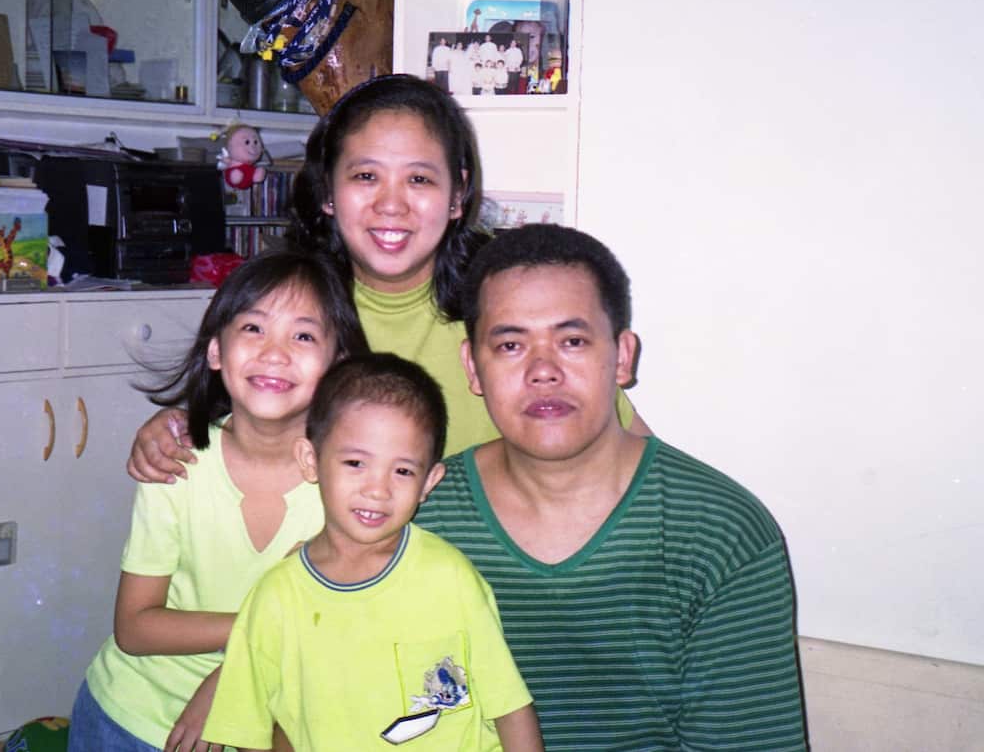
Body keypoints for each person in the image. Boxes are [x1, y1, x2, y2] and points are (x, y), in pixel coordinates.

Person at [125, 74, 643, 480]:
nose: (391, 204)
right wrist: (172, 429)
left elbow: (626, 446)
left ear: (458, 194)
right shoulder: (289, 309)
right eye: (366, 176)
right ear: (328, 190)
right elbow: (234, 428)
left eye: (419, 178)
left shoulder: (508, 305)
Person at [415, 223, 807, 749]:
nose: (543, 371)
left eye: (572, 341)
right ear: (473, 367)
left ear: (622, 357)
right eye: (510, 345)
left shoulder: (720, 532)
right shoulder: (418, 517)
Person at [68, 248, 369, 752]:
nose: (275, 352)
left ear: (339, 363)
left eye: (303, 335)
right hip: (132, 719)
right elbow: (136, 628)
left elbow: (335, 632)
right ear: (215, 352)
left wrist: (234, 677)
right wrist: (256, 636)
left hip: (267, 725)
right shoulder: (175, 464)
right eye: (253, 328)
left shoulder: (352, 488)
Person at [202, 353, 543, 751]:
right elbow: (249, 731)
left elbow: (511, 708)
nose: (377, 490)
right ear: (310, 460)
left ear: (429, 481)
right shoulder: (275, 599)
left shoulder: (449, 577)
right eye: (355, 462)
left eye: (402, 471)